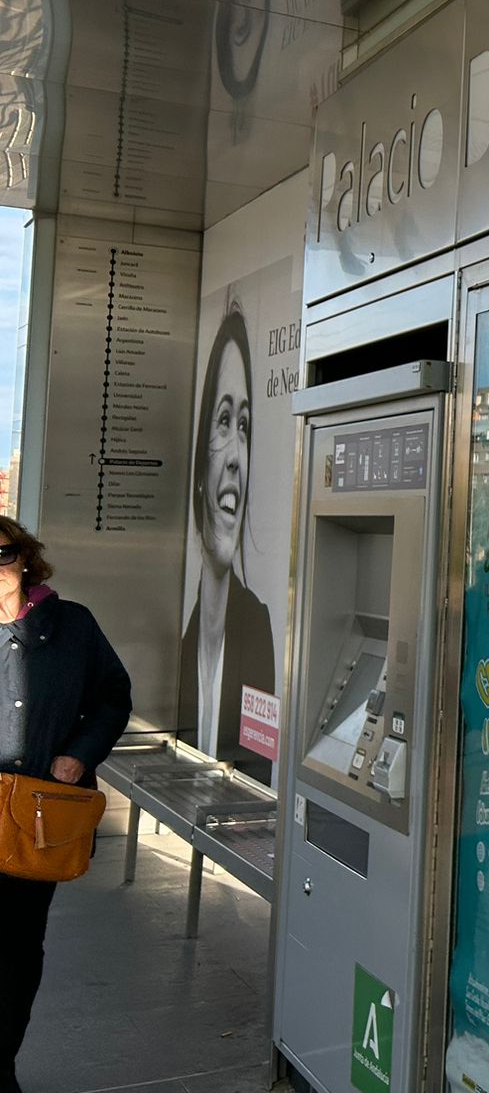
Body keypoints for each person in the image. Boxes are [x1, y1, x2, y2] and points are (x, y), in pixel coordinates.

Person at [0, 516, 133, 1093]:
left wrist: (78, 757)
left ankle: (0, 1066)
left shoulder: (72, 624)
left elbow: (112, 699)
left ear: (25, 559)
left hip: (36, 816)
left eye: (1, 555)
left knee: (18, 948)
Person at [180, 307, 276, 779]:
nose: (236, 455)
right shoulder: (184, 646)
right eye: (223, 421)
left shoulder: (256, 626)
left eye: (245, 425)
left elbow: (259, 780)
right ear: (200, 468)